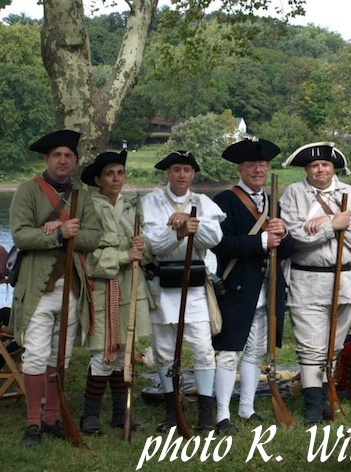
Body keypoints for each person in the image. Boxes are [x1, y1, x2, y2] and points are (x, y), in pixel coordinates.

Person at [10, 130, 102, 446]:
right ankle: (33, 423)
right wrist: (59, 233)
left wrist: (68, 230)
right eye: (57, 155)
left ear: (74, 161)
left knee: (60, 356)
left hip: (72, 289)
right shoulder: (28, 191)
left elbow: (93, 236)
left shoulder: (82, 197)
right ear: (46, 159)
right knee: (36, 355)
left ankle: (51, 418)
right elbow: (21, 235)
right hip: (37, 288)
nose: (63, 161)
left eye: (68, 156)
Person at [280, 142, 351, 423]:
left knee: (333, 346)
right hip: (308, 281)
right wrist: (333, 225)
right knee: (311, 346)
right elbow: (295, 237)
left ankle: (324, 398)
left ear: (333, 167)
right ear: (307, 169)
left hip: (348, 281)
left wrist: (327, 222)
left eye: (325, 164)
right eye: (314, 165)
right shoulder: (294, 194)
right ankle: (313, 406)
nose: (320, 169)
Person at [211, 138, 293, 433]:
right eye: (251, 165)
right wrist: (261, 241)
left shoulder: (272, 201)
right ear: (240, 169)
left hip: (266, 289)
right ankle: (222, 414)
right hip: (237, 287)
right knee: (229, 352)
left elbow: (287, 249)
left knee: (256, 352)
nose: (258, 170)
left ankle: (247, 408)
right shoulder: (225, 200)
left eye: (262, 165)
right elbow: (220, 243)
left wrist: (283, 233)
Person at [141, 151, 226, 432]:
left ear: (193, 174)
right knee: (164, 350)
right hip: (161, 285)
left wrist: (191, 223)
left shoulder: (203, 203)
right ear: (168, 172)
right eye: (176, 169)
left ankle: (205, 413)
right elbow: (153, 245)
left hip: (194, 286)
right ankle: (172, 409)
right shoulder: (151, 202)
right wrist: (178, 233)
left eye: (187, 170)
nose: (181, 175)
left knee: (202, 348)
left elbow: (214, 238)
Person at [78, 151, 152, 435]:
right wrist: (123, 256)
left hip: (130, 288)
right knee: (103, 352)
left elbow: (145, 255)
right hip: (102, 291)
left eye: (120, 173)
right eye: (110, 174)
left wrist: (142, 248)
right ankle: (90, 416)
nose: (116, 178)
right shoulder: (89, 209)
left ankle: (121, 414)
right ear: (98, 180)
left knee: (124, 352)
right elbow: (86, 256)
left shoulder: (133, 208)